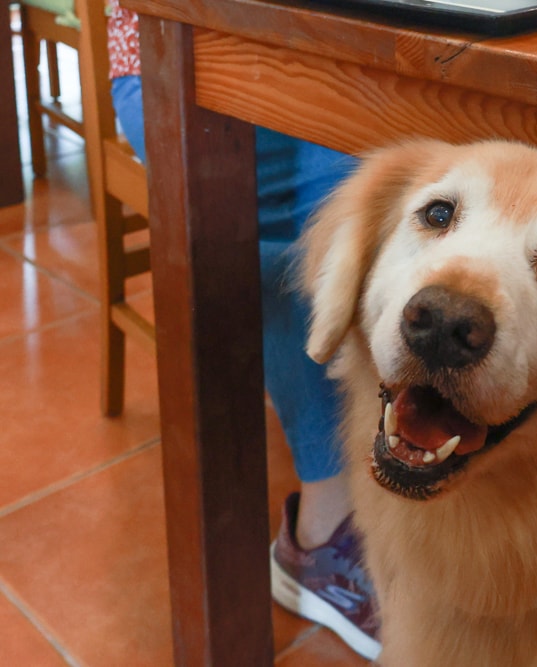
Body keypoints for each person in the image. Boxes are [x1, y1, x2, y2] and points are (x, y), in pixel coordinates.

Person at [105, 2, 380, 659]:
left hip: (338, 43)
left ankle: (407, 494)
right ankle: (325, 527)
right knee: (338, 187)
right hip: (177, 45)